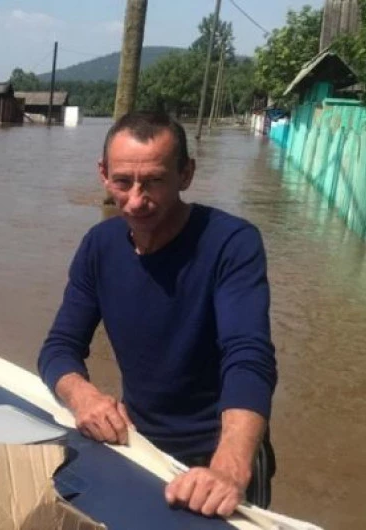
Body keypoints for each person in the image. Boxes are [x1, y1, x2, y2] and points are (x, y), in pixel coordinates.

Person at [37, 111, 277, 518]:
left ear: (186, 174)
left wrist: (229, 467)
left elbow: (248, 356)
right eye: (123, 182)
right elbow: (59, 347)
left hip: (218, 451)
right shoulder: (99, 245)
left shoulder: (231, 244)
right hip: (139, 443)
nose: (135, 200)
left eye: (153, 182)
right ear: (103, 174)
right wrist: (85, 398)